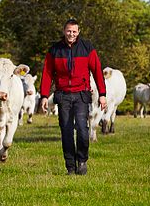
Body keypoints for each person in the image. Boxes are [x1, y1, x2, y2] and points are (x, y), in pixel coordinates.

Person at [39, 18, 106, 175]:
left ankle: (82, 161)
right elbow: (47, 73)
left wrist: (102, 94)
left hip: (81, 94)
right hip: (63, 95)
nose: (71, 34)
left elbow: (97, 70)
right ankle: (70, 166)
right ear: (64, 31)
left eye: (74, 31)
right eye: (69, 31)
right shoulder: (54, 50)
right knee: (66, 131)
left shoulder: (87, 48)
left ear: (78, 32)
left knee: (83, 129)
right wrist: (44, 95)